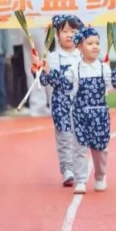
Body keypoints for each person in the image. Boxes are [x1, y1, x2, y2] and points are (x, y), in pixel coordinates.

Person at [54, 27, 116, 194]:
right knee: (79, 147)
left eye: (97, 43)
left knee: (100, 149)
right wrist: (48, 72)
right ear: (80, 46)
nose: (95, 47)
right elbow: (64, 86)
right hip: (80, 114)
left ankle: (100, 176)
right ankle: (81, 180)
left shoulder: (103, 67)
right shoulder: (74, 69)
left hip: (100, 114)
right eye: (90, 43)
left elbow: (113, 87)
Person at [35, 14, 84, 186]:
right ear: (57, 34)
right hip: (61, 103)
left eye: (73, 31)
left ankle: (79, 169)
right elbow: (44, 81)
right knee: (64, 137)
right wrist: (39, 70)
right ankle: (67, 169)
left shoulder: (83, 55)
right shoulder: (52, 57)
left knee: (79, 138)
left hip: (81, 103)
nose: (69, 35)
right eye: (65, 31)